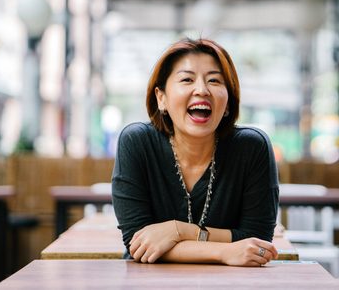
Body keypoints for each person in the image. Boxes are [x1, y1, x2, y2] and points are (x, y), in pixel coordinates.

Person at [111, 38, 279, 267]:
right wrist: (224, 252)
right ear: (162, 98)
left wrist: (178, 230)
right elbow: (138, 243)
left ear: (228, 103)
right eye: (187, 79)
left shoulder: (252, 147)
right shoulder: (136, 142)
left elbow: (257, 241)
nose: (202, 90)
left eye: (214, 80)